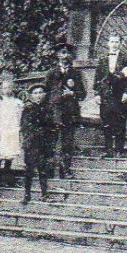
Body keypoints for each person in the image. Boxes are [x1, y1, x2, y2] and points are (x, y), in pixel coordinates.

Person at [43, 43, 85, 179]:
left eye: (67, 53)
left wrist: (72, 92)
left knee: (67, 142)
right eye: (62, 53)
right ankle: (49, 170)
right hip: (54, 112)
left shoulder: (76, 73)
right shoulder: (51, 72)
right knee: (52, 141)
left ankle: (65, 170)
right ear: (58, 55)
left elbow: (83, 94)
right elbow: (46, 92)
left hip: (70, 112)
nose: (65, 56)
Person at [94, 34, 127, 155]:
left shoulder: (126, 59)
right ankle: (108, 149)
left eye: (116, 42)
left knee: (120, 122)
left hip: (120, 95)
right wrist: (97, 94)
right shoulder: (102, 59)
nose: (114, 44)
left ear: (120, 43)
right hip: (106, 95)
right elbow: (97, 77)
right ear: (108, 43)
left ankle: (119, 149)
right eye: (112, 41)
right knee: (106, 122)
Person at [19, 82, 55, 205]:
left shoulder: (48, 108)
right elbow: (25, 127)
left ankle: (45, 194)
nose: (38, 95)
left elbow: (51, 126)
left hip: (44, 144)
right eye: (35, 93)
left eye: (40, 92)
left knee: (43, 169)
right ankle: (27, 194)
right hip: (31, 144)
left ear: (44, 94)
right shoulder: (27, 109)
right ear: (31, 96)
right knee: (29, 170)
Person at [0, 77, 25, 184]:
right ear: (1, 89)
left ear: (13, 88)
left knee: (10, 155)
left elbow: (20, 118)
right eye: (5, 88)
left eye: (9, 87)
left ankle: (7, 177)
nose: (7, 90)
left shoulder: (18, 102)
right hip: (1, 130)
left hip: (13, 131)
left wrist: (19, 132)